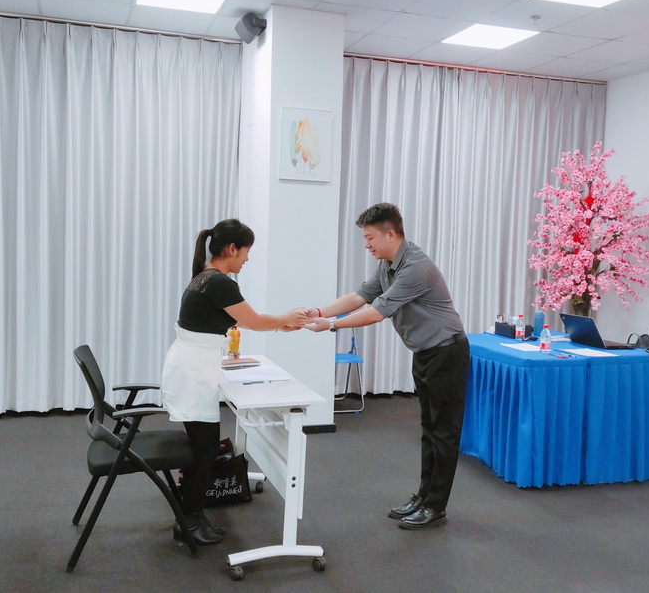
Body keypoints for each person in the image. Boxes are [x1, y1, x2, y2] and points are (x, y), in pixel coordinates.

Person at [304, 202, 469, 530]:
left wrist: (332, 326)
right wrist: (319, 312)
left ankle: (436, 506)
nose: (366, 245)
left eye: (369, 238)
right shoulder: (388, 264)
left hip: (447, 354)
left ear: (390, 235)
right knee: (429, 430)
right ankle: (424, 497)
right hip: (426, 353)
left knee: (444, 434)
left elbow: (377, 312)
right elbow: (359, 297)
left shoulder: (415, 268)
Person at [162, 218, 307, 544]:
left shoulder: (206, 276)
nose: (248, 258)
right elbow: (252, 320)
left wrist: (278, 324)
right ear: (231, 249)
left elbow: (240, 320)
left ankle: (191, 517)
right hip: (194, 373)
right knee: (205, 451)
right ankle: (189, 522)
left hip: (191, 367)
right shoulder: (219, 282)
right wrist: (285, 318)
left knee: (204, 448)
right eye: (246, 251)